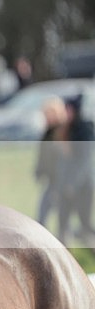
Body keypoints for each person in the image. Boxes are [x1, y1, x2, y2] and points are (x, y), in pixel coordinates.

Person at [57, 93, 95, 246]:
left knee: (84, 224)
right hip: (66, 185)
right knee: (63, 223)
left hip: (82, 186)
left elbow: (83, 162)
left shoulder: (85, 130)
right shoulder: (67, 129)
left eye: (67, 109)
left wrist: (72, 184)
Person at [35, 96, 68, 228]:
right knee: (42, 215)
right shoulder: (47, 132)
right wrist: (39, 171)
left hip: (63, 182)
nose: (47, 117)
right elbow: (43, 155)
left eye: (50, 113)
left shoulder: (64, 132)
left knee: (64, 220)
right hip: (52, 181)